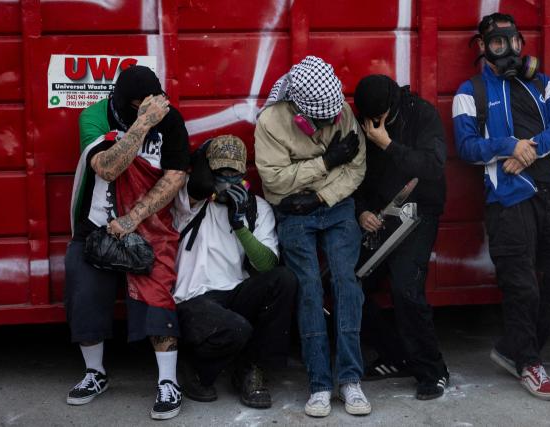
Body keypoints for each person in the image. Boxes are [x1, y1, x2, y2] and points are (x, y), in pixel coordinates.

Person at [452, 13, 550, 400]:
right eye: (497, 44)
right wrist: (507, 146)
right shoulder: (468, 91)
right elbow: (466, 145)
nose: (507, 50)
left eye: (513, 42)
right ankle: (529, 363)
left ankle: (514, 348)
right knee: (523, 288)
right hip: (507, 201)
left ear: (522, 43)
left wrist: (529, 150)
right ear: (483, 48)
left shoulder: (544, 82)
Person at [65, 65, 189, 419]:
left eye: (151, 104)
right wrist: (141, 124)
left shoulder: (171, 118)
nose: (149, 109)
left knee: (157, 296)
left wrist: (133, 219)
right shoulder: (94, 117)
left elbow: (176, 175)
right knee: (84, 291)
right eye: (138, 105)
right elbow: (106, 168)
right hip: (96, 227)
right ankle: (95, 374)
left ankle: (168, 381)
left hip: (146, 225)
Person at [254, 56, 369, 417]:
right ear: (298, 110)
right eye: (319, 121)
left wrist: (320, 195)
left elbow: (357, 167)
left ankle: (350, 380)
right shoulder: (272, 121)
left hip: (334, 205)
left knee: (346, 283)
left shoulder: (341, 111)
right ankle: (319, 384)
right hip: (291, 209)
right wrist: (325, 162)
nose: (328, 125)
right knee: (308, 288)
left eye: (331, 118)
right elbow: (274, 179)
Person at [171, 135, 297, 409]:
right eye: (221, 174)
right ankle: (193, 366)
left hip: (235, 293)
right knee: (235, 329)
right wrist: (207, 181)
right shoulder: (189, 203)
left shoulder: (257, 208)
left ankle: (251, 369)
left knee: (283, 280)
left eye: (234, 174)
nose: (228, 181)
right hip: (194, 298)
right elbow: (193, 184)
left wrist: (240, 225)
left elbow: (267, 266)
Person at [353, 74, 449, 400]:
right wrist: (361, 210)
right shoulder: (361, 121)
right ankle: (397, 357)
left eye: (374, 119)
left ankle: (432, 371)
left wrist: (387, 144)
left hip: (419, 213)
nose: (369, 124)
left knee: (405, 287)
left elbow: (434, 166)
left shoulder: (421, 114)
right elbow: (354, 175)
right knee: (349, 286)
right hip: (380, 216)